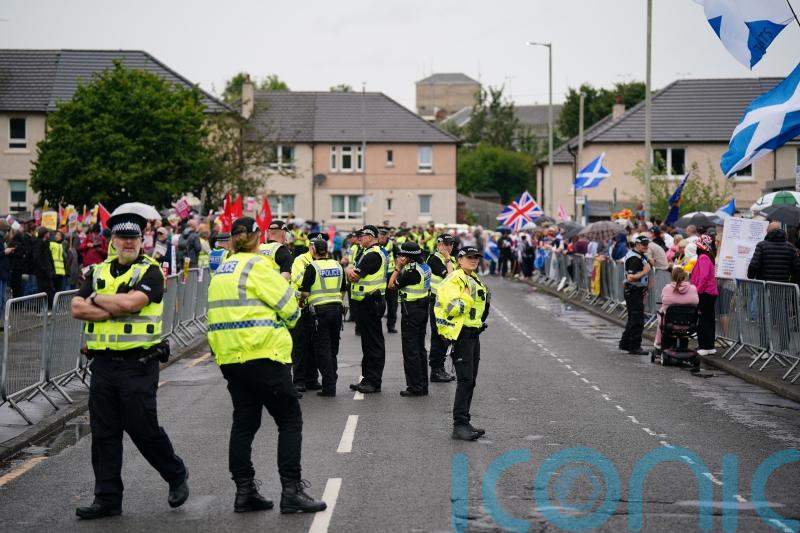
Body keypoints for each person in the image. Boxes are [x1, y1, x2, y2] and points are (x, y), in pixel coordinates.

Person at [71, 212, 188, 519]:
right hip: (104, 365)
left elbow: (131, 304)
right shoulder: (97, 271)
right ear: (113, 242)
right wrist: (110, 303)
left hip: (139, 364)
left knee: (142, 428)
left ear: (141, 241)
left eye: (133, 238)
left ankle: (175, 474)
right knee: (104, 433)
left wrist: (98, 300)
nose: (128, 243)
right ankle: (107, 498)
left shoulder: (150, 271)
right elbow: (76, 307)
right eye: (123, 238)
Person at [207, 217, 326, 515]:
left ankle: (245, 491)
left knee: (244, 423)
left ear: (232, 239)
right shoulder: (259, 266)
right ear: (259, 238)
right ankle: (291, 491)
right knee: (289, 420)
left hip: (230, 360)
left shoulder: (221, 270)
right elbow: (289, 307)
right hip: (264, 355)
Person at [435, 246, 490, 441]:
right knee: (465, 380)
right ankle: (459, 425)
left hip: (473, 333)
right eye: (469, 257)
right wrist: (466, 296)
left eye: (476, 257)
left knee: (471, 380)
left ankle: (465, 421)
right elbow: (453, 307)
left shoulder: (472, 277)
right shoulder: (456, 278)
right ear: (459, 259)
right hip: (461, 334)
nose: (474, 260)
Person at [299, 237, 345, 397]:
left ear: (313, 251)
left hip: (319, 313)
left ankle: (329, 386)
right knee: (332, 349)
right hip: (337, 310)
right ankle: (332, 378)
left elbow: (305, 292)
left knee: (322, 350)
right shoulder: (337, 265)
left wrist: (301, 302)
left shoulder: (312, 267)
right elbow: (343, 289)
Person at [346, 225, 387, 394]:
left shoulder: (372, 254)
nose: (359, 238)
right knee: (368, 343)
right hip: (367, 302)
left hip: (370, 302)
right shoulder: (370, 252)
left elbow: (354, 275)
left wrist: (349, 269)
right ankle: (367, 378)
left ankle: (373, 381)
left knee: (373, 343)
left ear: (370, 237)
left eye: (362, 235)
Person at [389, 242, 432, 397]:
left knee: (410, 350)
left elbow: (391, 285)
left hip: (411, 311)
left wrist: (397, 268)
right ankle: (423, 385)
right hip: (422, 308)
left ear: (408, 257)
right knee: (420, 348)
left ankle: (415, 387)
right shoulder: (425, 267)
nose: (399, 257)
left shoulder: (411, 272)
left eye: (402, 255)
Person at [289, 233, 319, 393]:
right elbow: (301, 282)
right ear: (310, 246)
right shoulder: (301, 260)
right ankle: (299, 380)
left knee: (314, 345)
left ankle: (312, 379)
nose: (317, 248)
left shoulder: (323, 261)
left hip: (317, 307)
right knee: (300, 345)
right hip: (301, 307)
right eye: (314, 245)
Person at [427, 234, 456, 383]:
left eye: (451, 244)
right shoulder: (434, 259)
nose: (449, 247)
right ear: (439, 245)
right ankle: (436, 370)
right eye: (446, 244)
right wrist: (447, 257)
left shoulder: (451, 259)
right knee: (438, 336)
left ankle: (441, 367)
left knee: (446, 337)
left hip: (448, 304)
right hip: (437, 302)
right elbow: (451, 278)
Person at [618, 235, 652, 356]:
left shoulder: (639, 255)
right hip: (633, 291)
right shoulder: (634, 258)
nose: (646, 246)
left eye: (647, 244)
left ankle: (625, 343)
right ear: (637, 245)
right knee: (637, 319)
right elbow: (630, 277)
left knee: (633, 318)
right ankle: (634, 346)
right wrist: (645, 271)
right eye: (644, 244)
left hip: (635, 291)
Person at [654, 268, 699, 352]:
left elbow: (663, 301)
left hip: (669, 324)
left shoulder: (667, 288)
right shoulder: (693, 289)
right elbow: (696, 302)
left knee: (662, 311)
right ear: (685, 276)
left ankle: (658, 342)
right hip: (688, 324)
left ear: (672, 277)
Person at [692, 234, 718, 355]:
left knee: (703, 320)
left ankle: (704, 346)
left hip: (705, 292)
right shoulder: (709, 257)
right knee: (709, 319)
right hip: (710, 292)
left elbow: (703, 277)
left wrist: (698, 291)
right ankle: (709, 346)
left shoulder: (703, 257)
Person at [378, 227, 398, 334]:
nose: (381, 237)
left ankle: (391, 326)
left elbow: (397, 260)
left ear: (387, 236)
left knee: (392, 303)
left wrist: (397, 273)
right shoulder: (375, 246)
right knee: (379, 303)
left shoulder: (393, 246)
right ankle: (377, 325)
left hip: (391, 276)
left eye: (383, 235)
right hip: (379, 277)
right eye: (380, 235)